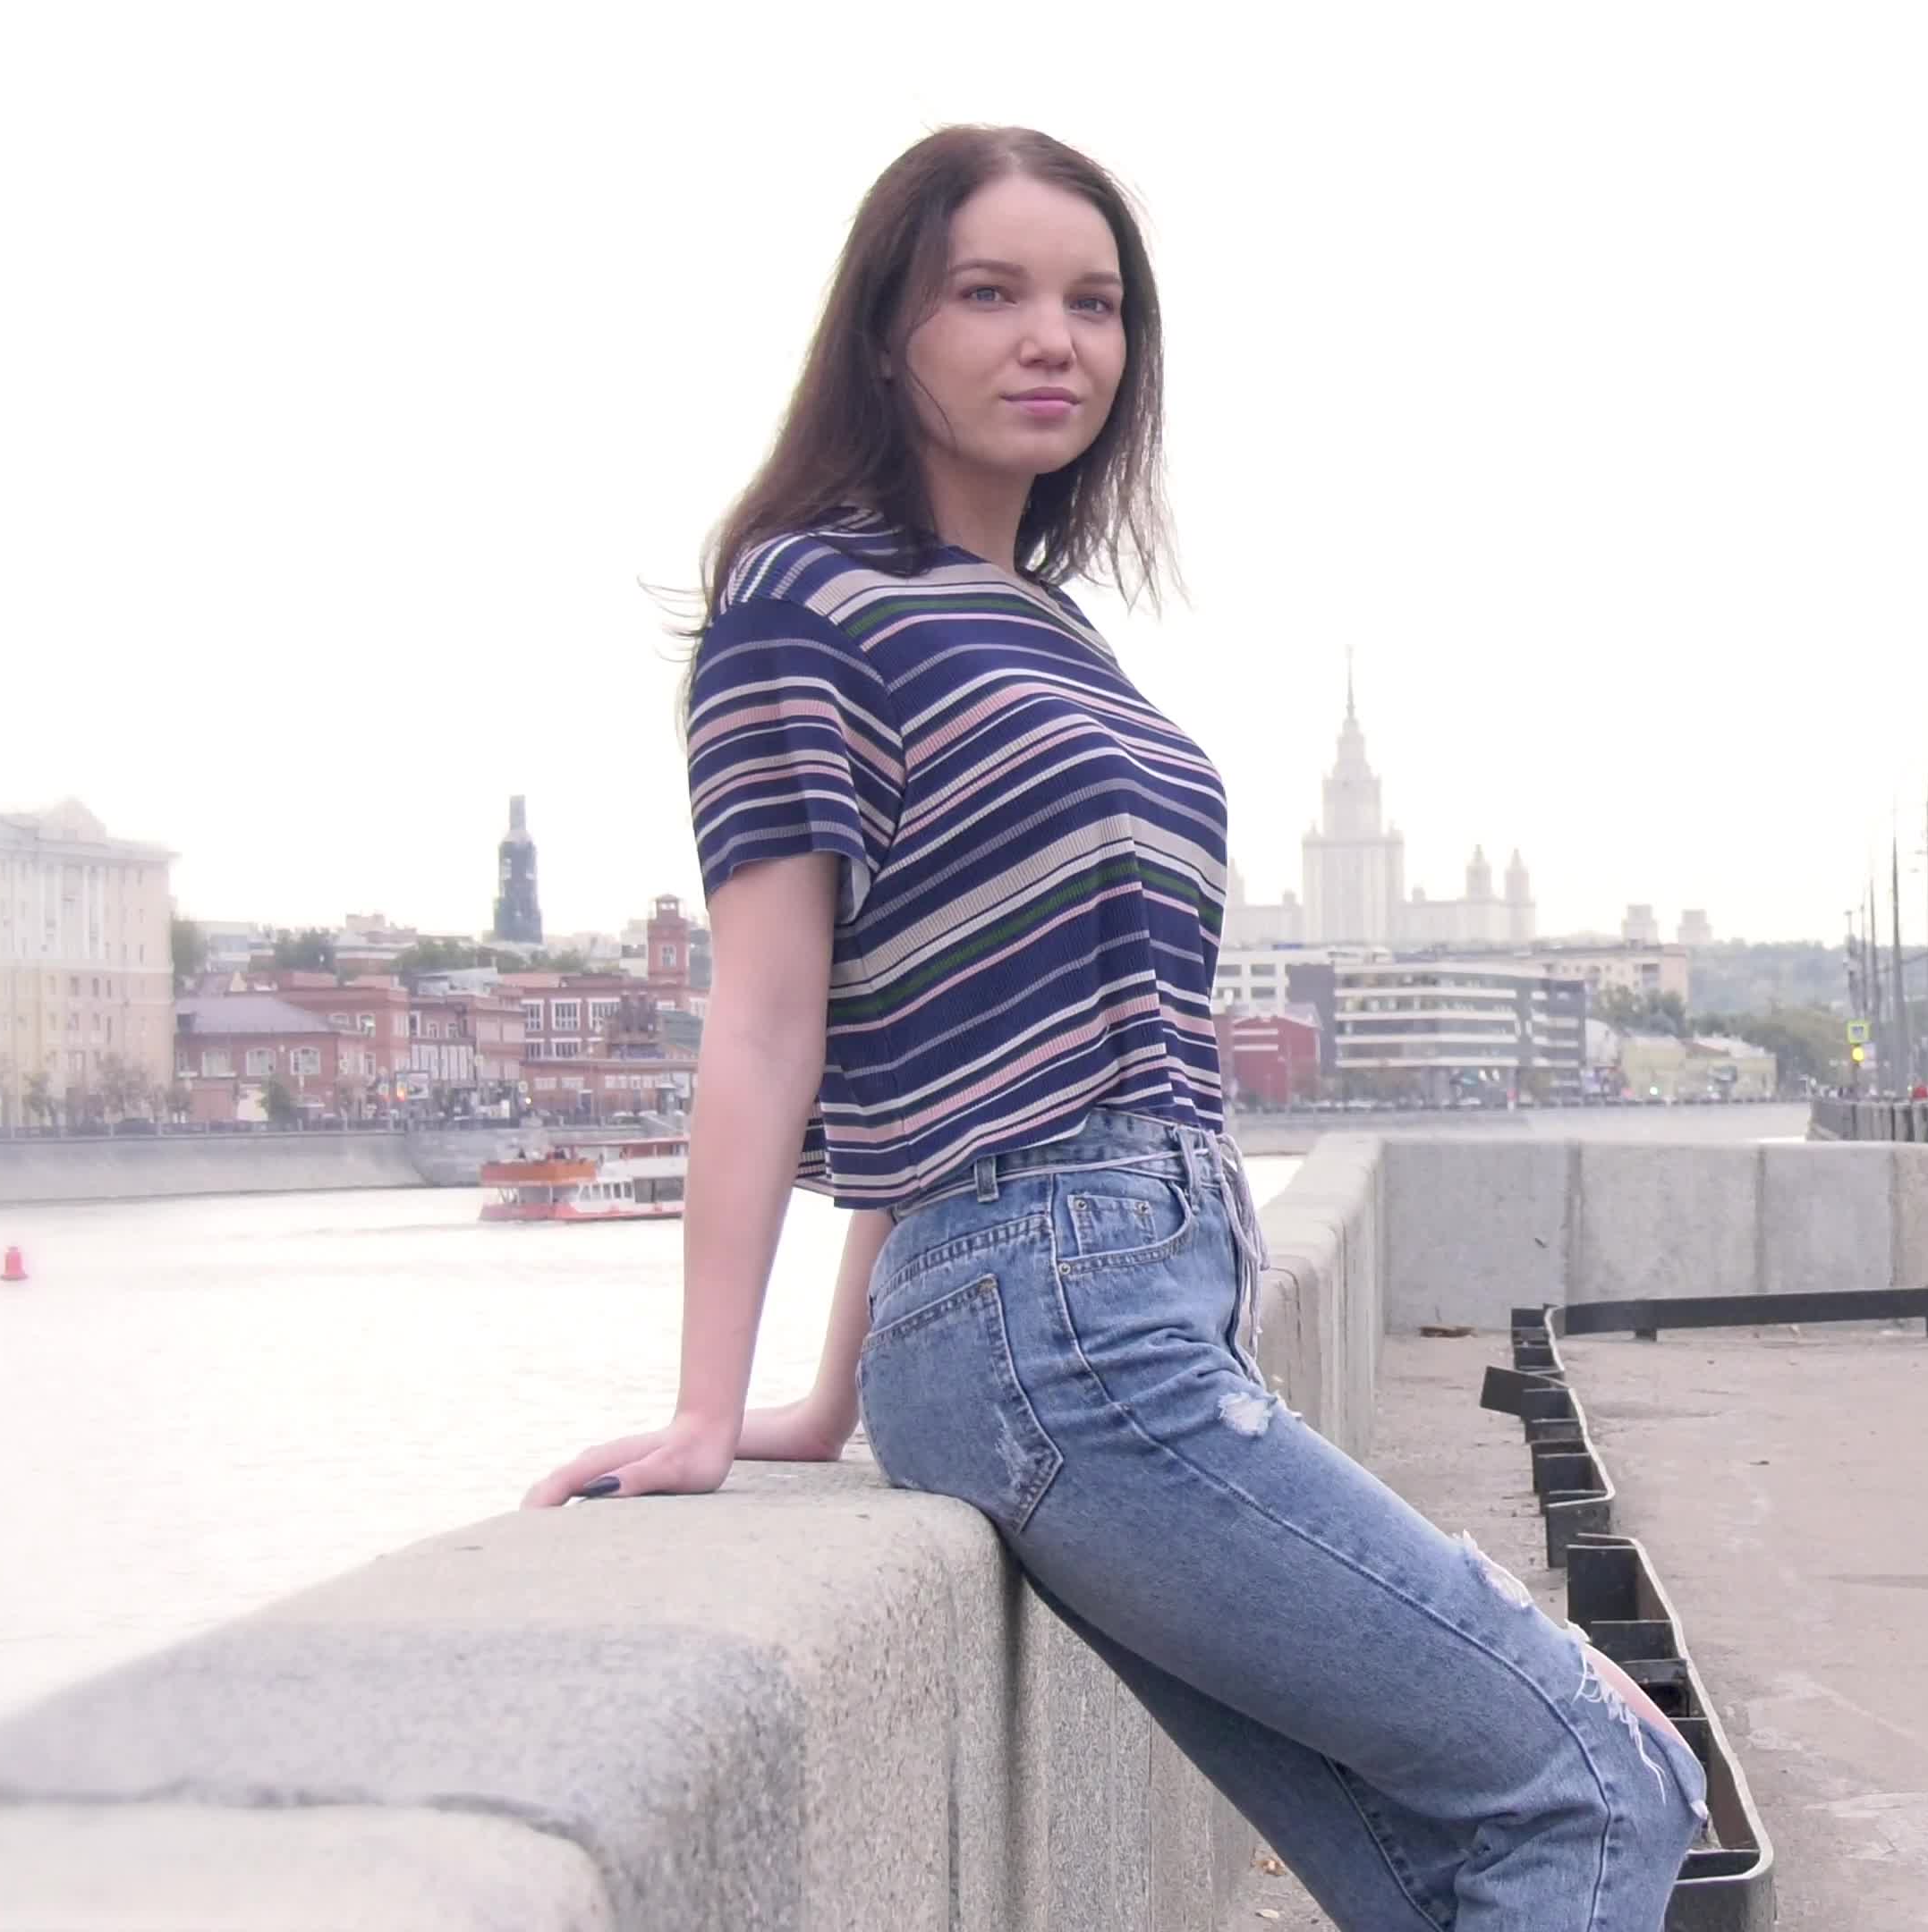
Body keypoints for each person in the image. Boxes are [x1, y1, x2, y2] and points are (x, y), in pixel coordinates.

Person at [520, 127, 1703, 1928]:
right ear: (887, 330)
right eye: (988, 293)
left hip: (1129, 1301)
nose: (1051, 340)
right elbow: (770, 1023)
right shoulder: (802, 602)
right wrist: (707, 1406)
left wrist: (835, 1393)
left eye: (1094, 303)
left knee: (1466, 1853)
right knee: (1606, 1780)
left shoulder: (1054, 632)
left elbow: (954, 1024)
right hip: (1061, 1324)